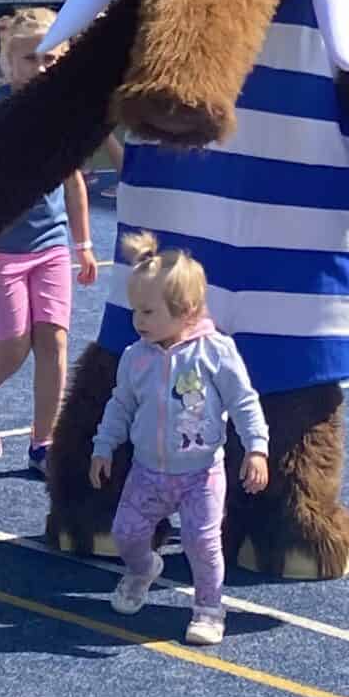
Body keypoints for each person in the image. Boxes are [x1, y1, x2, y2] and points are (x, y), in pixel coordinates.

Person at [88, 234, 270, 648]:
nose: (138, 320)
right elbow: (120, 404)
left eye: (148, 311)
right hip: (146, 471)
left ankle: (209, 608)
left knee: (201, 543)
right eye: (135, 310)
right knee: (125, 533)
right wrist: (103, 446)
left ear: (186, 310)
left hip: (200, 474)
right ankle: (142, 570)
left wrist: (256, 447)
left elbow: (243, 401)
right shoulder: (135, 357)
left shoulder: (216, 352)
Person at [0, 9, 100, 477]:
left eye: (51, 58)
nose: (41, 68)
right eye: (31, 58)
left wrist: (82, 243)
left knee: (54, 342)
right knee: (14, 346)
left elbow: (73, 180)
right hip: (1, 248)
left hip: (51, 244)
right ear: (8, 60)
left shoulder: (67, 110)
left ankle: (44, 442)